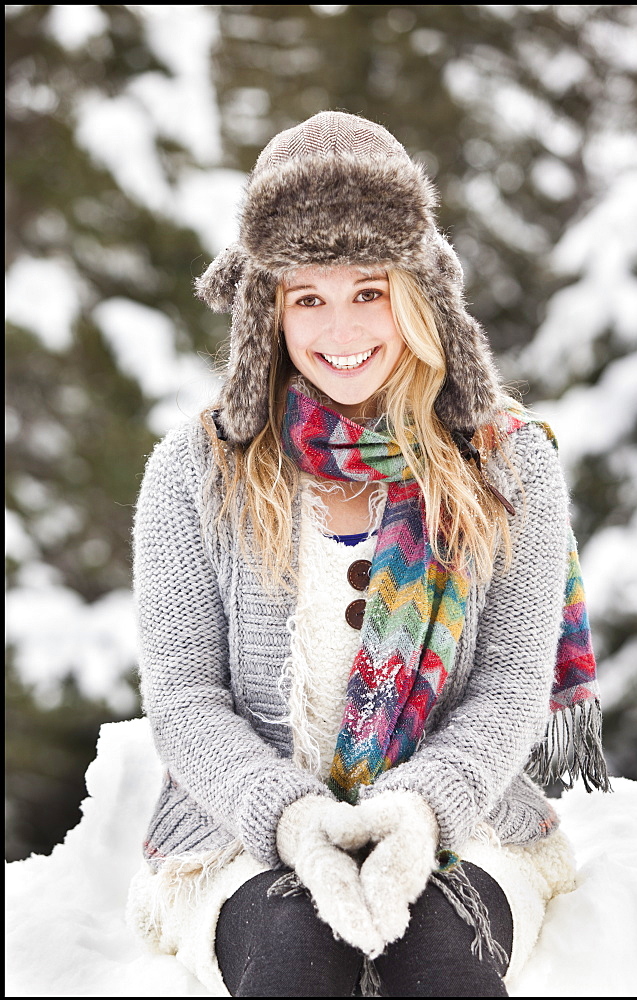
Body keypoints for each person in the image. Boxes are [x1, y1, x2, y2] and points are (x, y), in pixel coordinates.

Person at [126, 111, 610, 998]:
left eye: (370, 289)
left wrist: (421, 811)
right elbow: (185, 699)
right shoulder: (193, 472)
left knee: (438, 956)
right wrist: (293, 817)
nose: (339, 327)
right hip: (244, 833)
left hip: (465, 825)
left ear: (420, 295)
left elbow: (508, 686)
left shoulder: (506, 464)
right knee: (295, 961)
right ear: (261, 312)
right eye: (307, 296)